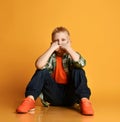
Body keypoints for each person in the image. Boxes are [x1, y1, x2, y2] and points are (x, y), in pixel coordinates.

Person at [16, 26, 94, 115]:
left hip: (70, 95)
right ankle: (29, 100)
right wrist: (52, 48)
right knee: (41, 70)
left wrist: (68, 48)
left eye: (63, 40)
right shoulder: (50, 57)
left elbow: (81, 63)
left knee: (78, 70)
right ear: (52, 43)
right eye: (56, 41)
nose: (60, 43)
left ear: (69, 42)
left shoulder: (72, 55)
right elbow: (39, 65)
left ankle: (85, 101)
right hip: (53, 95)